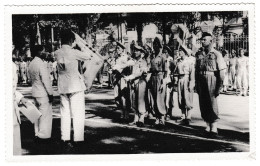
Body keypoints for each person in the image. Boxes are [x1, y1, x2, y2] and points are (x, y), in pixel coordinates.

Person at [54, 30, 93, 150]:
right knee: (78, 114)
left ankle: (65, 138)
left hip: (63, 86)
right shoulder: (74, 52)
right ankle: (78, 139)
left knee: (65, 113)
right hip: (75, 86)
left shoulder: (57, 53)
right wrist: (81, 44)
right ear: (71, 40)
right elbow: (89, 55)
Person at [195, 32, 226, 135]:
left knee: (211, 102)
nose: (202, 41)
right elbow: (196, 69)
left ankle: (214, 127)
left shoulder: (217, 54)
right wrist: (196, 83)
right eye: (202, 40)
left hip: (211, 78)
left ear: (211, 41)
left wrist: (219, 87)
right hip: (201, 79)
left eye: (204, 40)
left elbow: (221, 72)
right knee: (203, 103)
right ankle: (207, 124)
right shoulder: (199, 54)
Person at [28, 45, 53, 141]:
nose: (45, 52)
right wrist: (50, 93)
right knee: (45, 115)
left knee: (37, 114)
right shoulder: (41, 64)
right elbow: (46, 80)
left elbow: (30, 78)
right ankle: (43, 136)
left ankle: (36, 133)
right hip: (43, 93)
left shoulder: (31, 63)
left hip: (35, 91)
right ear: (39, 52)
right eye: (44, 51)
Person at [125, 45, 148, 127]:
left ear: (141, 52)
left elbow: (141, 72)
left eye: (137, 51)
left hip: (141, 82)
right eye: (134, 50)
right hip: (133, 82)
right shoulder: (133, 61)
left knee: (141, 100)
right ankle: (135, 118)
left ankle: (141, 118)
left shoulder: (143, 61)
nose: (135, 52)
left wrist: (131, 76)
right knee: (134, 100)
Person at [112, 42, 135, 121]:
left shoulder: (126, 57)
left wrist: (122, 66)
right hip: (117, 78)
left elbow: (132, 62)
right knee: (118, 96)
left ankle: (126, 113)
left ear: (122, 49)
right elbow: (114, 67)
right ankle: (122, 111)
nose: (117, 50)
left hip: (123, 78)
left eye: (118, 48)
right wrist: (112, 70)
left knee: (124, 96)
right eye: (117, 48)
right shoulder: (116, 58)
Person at [148, 37, 167, 126]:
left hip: (160, 77)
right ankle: (157, 117)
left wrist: (164, 82)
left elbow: (166, 71)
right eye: (154, 45)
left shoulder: (163, 57)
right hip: (153, 77)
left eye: (157, 45)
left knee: (160, 98)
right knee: (154, 98)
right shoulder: (152, 56)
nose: (155, 46)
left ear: (160, 46)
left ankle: (162, 117)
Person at [176, 46, 195, 125]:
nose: (179, 52)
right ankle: (183, 116)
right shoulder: (178, 61)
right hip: (180, 79)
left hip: (187, 79)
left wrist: (192, 83)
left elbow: (192, 73)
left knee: (188, 98)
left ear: (184, 52)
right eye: (179, 50)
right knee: (181, 98)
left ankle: (189, 117)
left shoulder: (190, 61)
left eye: (180, 50)